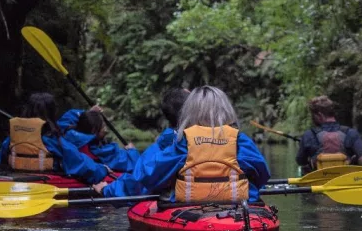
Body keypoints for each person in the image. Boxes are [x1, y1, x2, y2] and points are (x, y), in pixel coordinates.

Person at [95, 86, 270, 203]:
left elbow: (148, 176)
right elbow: (263, 175)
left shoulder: (184, 141)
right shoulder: (239, 138)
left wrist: (108, 190)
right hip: (238, 206)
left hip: (190, 205)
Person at [95, 88, 190, 197]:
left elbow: (138, 179)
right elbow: (139, 179)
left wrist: (106, 189)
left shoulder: (166, 146)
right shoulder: (201, 138)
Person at [295, 95, 362, 171]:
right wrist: (354, 161)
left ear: (319, 115)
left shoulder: (308, 135)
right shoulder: (350, 133)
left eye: (313, 116)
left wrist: (306, 152)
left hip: (319, 180)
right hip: (344, 178)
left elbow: (300, 161)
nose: (312, 119)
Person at [60, 106, 141, 175]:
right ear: (94, 130)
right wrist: (132, 151)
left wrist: (88, 114)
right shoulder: (101, 152)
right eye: (103, 126)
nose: (106, 130)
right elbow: (135, 164)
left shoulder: (68, 134)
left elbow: (67, 118)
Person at [0, 92, 64, 171]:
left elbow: (1, 157)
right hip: (48, 177)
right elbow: (72, 158)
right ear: (52, 112)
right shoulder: (52, 138)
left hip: (16, 175)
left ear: (27, 110)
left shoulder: (14, 137)